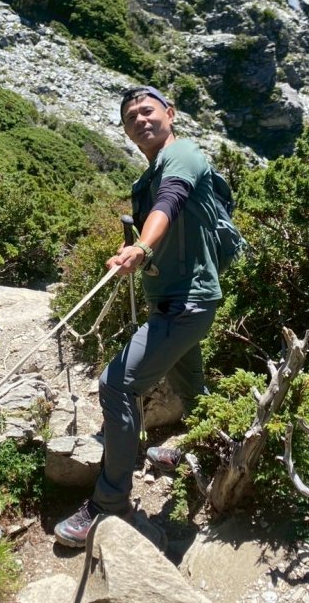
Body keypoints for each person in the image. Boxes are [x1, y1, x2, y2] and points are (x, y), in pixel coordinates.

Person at [54, 85, 223, 548]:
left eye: (147, 111)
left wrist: (143, 247)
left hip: (185, 305)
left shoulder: (182, 156)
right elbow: (167, 221)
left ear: (171, 113)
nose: (140, 121)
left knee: (116, 385)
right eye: (131, 118)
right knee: (192, 389)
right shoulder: (152, 171)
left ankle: (110, 504)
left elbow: (171, 200)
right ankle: (215, 454)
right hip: (179, 301)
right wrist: (139, 250)